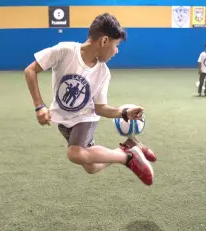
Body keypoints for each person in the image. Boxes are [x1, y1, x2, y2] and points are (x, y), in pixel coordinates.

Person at [24, 13, 157, 186]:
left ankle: (128, 157)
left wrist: (123, 112)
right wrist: (39, 106)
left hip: (85, 118)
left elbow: (100, 108)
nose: (116, 51)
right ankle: (127, 148)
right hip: (64, 122)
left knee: (75, 153)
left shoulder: (103, 72)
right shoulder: (65, 51)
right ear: (103, 41)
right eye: (115, 45)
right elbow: (30, 71)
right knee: (92, 167)